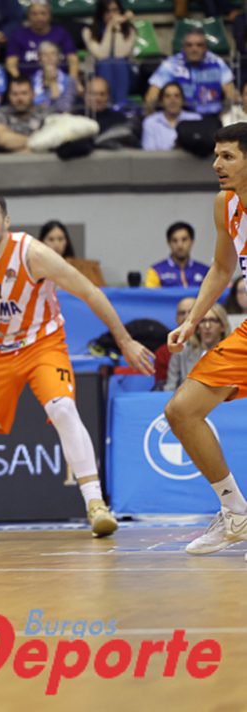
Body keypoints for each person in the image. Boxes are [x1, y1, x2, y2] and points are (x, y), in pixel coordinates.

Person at [0, 192, 154, 541]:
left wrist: (125, 340)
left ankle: (96, 504)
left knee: (63, 408)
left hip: (41, 344)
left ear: (6, 221)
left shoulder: (31, 253)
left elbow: (88, 291)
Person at [164, 123, 247, 557]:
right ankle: (236, 512)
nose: (216, 164)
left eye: (228, 156)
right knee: (181, 411)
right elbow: (221, 268)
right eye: (216, 155)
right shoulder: (225, 204)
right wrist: (192, 320)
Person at [145, 28, 236, 118]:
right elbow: (151, 96)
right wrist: (157, 119)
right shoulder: (172, 64)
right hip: (181, 119)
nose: (194, 49)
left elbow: (231, 94)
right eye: (189, 45)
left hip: (213, 117)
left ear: (205, 47)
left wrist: (224, 116)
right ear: (183, 47)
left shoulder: (217, 63)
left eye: (199, 45)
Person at [6, 0, 78, 88]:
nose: (39, 17)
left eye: (43, 13)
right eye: (34, 14)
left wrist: (72, 82)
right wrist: (22, 84)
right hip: (29, 84)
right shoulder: (18, 35)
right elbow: (11, 64)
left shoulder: (61, 33)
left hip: (61, 82)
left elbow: (73, 60)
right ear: (28, 15)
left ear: (50, 15)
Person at [82, 0, 135, 108]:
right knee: (105, 63)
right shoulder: (89, 31)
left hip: (126, 72)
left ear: (120, 11)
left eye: (115, 10)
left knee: (119, 62)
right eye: (107, 11)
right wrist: (110, 27)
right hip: (97, 72)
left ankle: (120, 105)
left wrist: (117, 29)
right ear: (101, 13)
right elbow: (102, 54)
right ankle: (108, 105)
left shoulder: (129, 30)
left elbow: (121, 54)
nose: (112, 15)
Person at [165, 304, 230, 391]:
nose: (207, 326)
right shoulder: (182, 352)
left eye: (213, 320)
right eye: (203, 321)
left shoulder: (233, 354)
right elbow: (170, 388)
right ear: (197, 327)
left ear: (223, 326)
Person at [0, 75, 48, 152]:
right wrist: (38, 143)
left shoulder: (44, 113)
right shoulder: (2, 113)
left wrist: (19, 144)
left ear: (33, 94)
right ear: (9, 96)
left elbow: (55, 136)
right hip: (8, 160)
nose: (19, 98)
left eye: (24, 93)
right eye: (15, 94)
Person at [39, 219, 104, 286]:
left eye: (60, 239)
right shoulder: (35, 269)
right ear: (42, 242)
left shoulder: (83, 269)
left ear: (66, 242)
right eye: (51, 239)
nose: (56, 244)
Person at [144, 220, 209, 288]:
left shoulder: (206, 272)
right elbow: (151, 294)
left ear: (192, 241)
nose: (179, 245)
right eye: (175, 240)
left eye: (184, 240)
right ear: (168, 243)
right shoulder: (155, 271)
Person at [142, 83, 201, 152]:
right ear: (161, 101)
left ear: (183, 100)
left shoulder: (195, 120)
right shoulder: (150, 122)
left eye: (177, 96)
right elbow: (149, 154)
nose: (172, 100)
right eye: (167, 96)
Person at [153, 297, 196, 388]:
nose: (186, 317)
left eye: (191, 312)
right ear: (176, 318)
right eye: (182, 313)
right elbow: (165, 388)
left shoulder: (214, 347)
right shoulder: (163, 353)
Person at [32, 41, 75, 114]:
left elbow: (64, 108)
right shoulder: (32, 79)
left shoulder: (69, 81)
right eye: (45, 54)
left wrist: (53, 82)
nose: (49, 58)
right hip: (36, 117)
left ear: (58, 58)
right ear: (39, 59)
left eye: (53, 54)